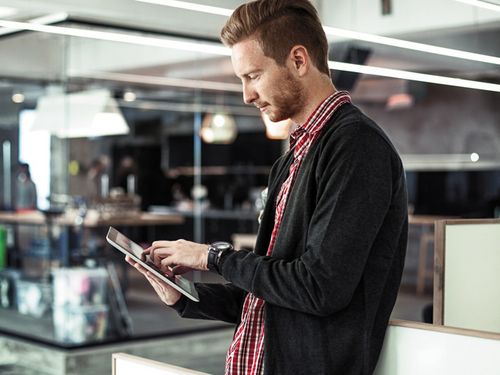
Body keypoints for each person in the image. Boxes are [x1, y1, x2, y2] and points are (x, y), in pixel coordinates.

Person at [126, 1, 408, 374]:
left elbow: (318, 288)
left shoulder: (356, 146)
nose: (246, 95)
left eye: (253, 75)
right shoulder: (292, 157)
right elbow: (269, 292)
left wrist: (212, 257)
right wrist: (186, 298)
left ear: (298, 60)